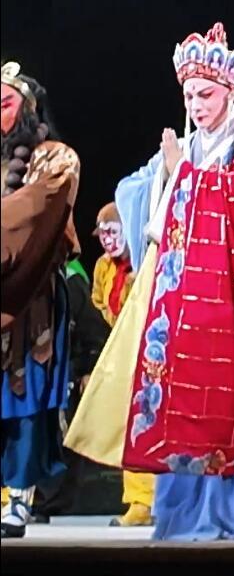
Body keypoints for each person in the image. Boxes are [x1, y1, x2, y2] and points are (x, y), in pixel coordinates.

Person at [65, 23, 234, 541]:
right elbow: (137, 196)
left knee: (220, 404)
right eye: (190, 96)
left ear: (229, 91)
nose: (197, 105)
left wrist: (186, 175)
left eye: (206, 94)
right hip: (176, 295)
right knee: (175, 404)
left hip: (229, 300)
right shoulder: (184, 147)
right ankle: (177, 515)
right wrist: (165, 175)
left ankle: (223, 518)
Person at [1, 61, 80, 540]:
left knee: (22, 399)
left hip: (30, 301)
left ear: (28, 108)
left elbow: (35, 213)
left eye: (4, 104)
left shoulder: (57, 158)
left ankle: (18, 499)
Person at [88, 202, 155, 527]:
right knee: (130, 426)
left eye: (113, 232)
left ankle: (151, 500)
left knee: (147, 422)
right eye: (102, 235)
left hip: (150, 352)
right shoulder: (103, 266)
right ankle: (139, 500)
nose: (107, 241)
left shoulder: (144, 264)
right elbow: (99, 304)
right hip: (120, 353)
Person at [30, 257, 109, 523]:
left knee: (60, 433)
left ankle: (47, 502)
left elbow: (92, 329)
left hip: (63, 372)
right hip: (29, 370)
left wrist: (88, 367)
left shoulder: (71, 280)